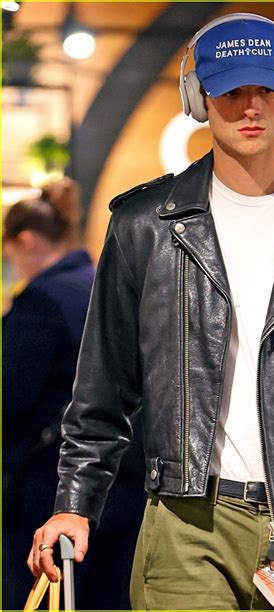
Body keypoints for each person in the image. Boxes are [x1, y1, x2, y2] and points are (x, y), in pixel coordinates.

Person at [28, 13, 274, 611]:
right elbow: (102, 389)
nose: (250, 107)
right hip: (187, 529)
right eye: (230, 90)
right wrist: (72, 505)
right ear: (198, 97)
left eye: (265, 89)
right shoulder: (145, 226)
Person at [3, 178, 95, 609]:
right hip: (101, 479)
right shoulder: (95, 282)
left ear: (24, 241)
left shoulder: (43, 299)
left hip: (44, 480)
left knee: (35, 595)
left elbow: (11, 396)